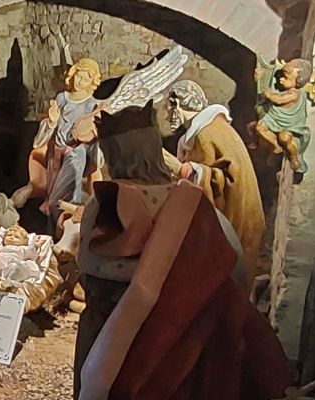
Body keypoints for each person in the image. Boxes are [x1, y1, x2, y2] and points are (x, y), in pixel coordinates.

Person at [72, 102, 291, 400]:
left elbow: (89, 267)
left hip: (111, 333)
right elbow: (228, 267)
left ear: (113, 153)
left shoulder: (106, 200)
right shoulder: (190, 201)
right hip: (180, 333)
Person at [159, 80, 268, 297]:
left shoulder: (208, 133)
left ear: (177, 104)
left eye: (168, 109)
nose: (167, 116)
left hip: (234, 220)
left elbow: (225, 180)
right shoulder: (203, 131)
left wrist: (183, 169)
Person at [29, 58, 107, 230]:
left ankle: (67, 235)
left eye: (85, 79)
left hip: (75, 156)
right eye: (79, 76)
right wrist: (51, 121)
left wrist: (93, 134)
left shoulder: (92, 105)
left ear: (92, 82)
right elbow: (51, 126)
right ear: (73, 75)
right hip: (55, 154)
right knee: (51, 198)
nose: (80, 81)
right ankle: (53, 235)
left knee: (62, 199)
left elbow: (94, 137)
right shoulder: (62, 98)